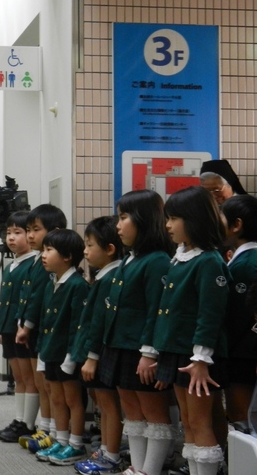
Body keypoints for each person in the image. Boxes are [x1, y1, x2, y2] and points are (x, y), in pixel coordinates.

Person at [91, 190, 175, 475]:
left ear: (144, 220)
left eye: (124, 217)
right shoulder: (130, 259)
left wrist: (150, 353)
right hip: (118, 345)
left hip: (141, 350)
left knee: (155, 415)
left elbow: (157, 310)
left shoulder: (157, 260)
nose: (118, 225)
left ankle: (150, 470)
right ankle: (137, 468)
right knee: (133, 412)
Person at [154, 186, 231, 475]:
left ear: (194, 219)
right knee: (187, 421)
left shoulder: (209, 261)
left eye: (173, 218)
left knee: (201, 423)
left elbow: (209, 315)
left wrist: (201, 359)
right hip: (177, 351)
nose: (168, 225)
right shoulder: (180, 257)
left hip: (199, 357)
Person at [13, 204, 67, 452]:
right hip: (35, 333)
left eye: (36, 230)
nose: (31, 235)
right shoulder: (37, 261)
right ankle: (44, 428)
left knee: (48, 384)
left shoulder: (50, 266)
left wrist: (28, 325)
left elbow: (37, 300)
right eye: (28, 230)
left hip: (44, 333)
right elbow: (28, 298)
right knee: (40, 382)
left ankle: (55, 431)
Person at [33, 229, 89, 466]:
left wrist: (72, 356)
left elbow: (79, 325)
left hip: (68, 355)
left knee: (73, 399)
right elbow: (45, 322)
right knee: (56, 397)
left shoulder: (77, 285)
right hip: (51, 352)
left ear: (67, 256)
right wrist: (42, 352)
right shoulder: (51, 283)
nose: (43, 255)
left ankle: (75, 444)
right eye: (43, 249)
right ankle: (61, 439)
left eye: (49, 250)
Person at [76, 216, 124, 475]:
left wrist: (92, 355)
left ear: (109, 249)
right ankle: (106, 450)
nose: (85, 251)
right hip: (96, 352)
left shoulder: (111, 278)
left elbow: (99, 323)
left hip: (104, 353)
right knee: (103, 405)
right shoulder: (103, 276)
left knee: (108, 406)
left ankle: (111, 455)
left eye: (90, 245)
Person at [0, 211, 37, 441]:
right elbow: (4, 300)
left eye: (17, 233)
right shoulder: (10, 266)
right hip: (9, 329)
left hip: (23, 330)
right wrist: (0, 328)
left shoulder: (35, 263)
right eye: (8, 233)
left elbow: (28, 299)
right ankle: (19, 420)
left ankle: (28, 423)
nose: (11, 238)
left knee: (29, 378)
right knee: (18, 377)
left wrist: (24, 326)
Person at [221, 195, 257, 434]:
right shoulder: (241, 259)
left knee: (241, 414)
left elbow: (242, 317)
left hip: (244, 353)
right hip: (238, 351)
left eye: (221, 219)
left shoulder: (250, 264)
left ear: (237, 225)